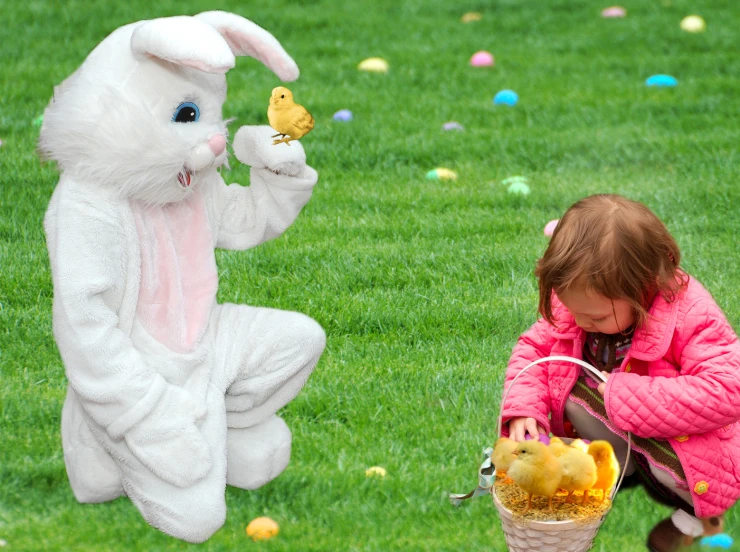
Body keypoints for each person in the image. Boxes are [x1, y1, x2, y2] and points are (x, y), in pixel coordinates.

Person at [501, 194, 740, 552]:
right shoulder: (582, 300)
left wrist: (626, 395)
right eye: (572, 309)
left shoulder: (690, 314)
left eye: (595, 318)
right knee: (564, 374)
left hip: (686, 440)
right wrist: (524, 408)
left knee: (689, 473)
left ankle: (691, 517)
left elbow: (727, 389)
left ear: (643, 287)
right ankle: (614, 462)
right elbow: (535, 349)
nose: (581, 322)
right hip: (617, 420)